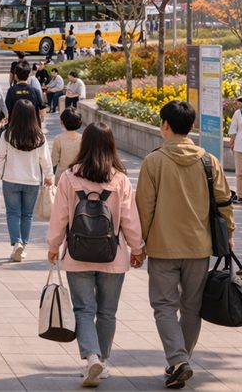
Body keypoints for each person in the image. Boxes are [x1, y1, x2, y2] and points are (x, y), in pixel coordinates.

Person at [135, 101, 234, 390]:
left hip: (162, 247)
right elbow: (224, 203)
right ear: (191, 126)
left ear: (165, 125)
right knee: (192, 307)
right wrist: (229, 233)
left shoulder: (153, 161)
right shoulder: (209, 161)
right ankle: (181, 361)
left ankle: (178, 361)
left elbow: (144, 208)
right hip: (199, 247)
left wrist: (139, 243)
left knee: (164, 306)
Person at [46, 122, 144, 387]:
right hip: (113, 255)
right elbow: (129, 220)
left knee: (83, 309)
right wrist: (137, 249)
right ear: (111, 146)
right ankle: (103, 361)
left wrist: (53, 246)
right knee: (107, 312)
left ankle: (91, 357)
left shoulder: (69, 177)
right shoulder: (120, 179)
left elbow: (60, 217)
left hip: (77, 255)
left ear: (85, 144)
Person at [0, 99, 52, 261]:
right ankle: (23, 245)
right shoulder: (39, 136)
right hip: (32, 180)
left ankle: (16, 243)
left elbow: (0, 156)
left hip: (11, 179)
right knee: (27, 215)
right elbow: (45, 160)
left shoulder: (7, 135)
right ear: (33, 115)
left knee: (13, 213)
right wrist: (49, 177)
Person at [50, 108, 84, 178]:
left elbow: (54, 161)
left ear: (62, 122)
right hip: (78, 176)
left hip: (62, 176)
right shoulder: (83, 138)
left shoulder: (58, 139)